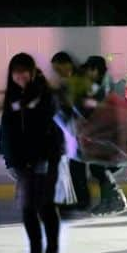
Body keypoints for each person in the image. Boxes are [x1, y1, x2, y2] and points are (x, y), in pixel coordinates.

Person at [0, 53, 64, 253]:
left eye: (23, 71)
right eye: (15, 72)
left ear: (32, 71)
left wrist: (53, 156)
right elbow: (6, 128)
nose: (20, 76)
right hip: (23, 161)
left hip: (45, 158)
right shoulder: (12, 95)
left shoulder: (46, 93)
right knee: (27, 208)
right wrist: (9, 158)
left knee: (45, 207)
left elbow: (54, 126)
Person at [83, 55, 127, 216]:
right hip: (107, 137)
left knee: (98, 166)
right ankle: (109, 201)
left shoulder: (105, 84)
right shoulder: (102, 83)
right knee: (97, 166)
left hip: (112, 138)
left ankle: (115, 199)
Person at [51, 50, 91, 215]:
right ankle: (79, 199)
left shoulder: (78, 81)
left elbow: (81, 105)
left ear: (67, 64)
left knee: (77, 166)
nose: (57, 73)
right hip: (72, 130)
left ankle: (81, 200)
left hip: (79, 129)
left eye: (58, 68)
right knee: (75, 165)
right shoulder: (68, 82)